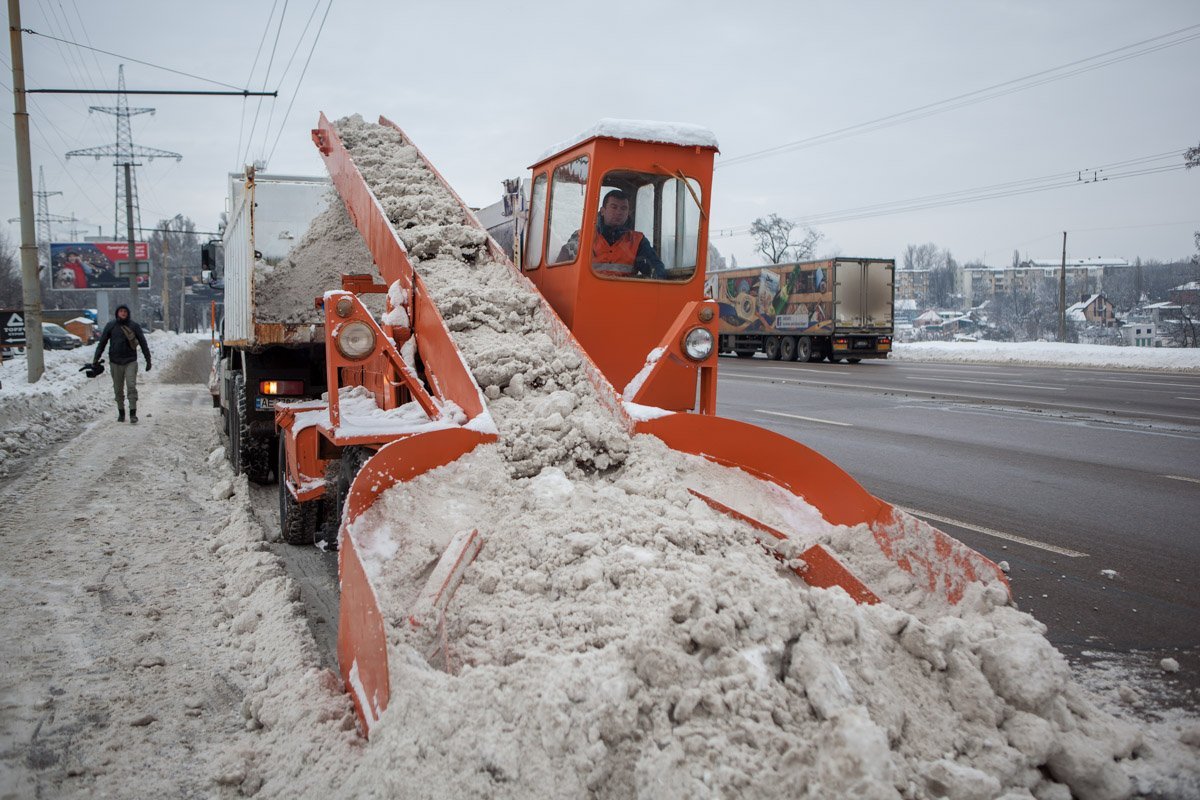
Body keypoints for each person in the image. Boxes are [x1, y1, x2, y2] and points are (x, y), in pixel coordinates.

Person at [558, 189, 666, 278]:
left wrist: (655, 273)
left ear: (628, 213)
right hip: (587, 296)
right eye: (614, 207)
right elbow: (560, 270)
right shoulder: (582, 237)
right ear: (603, 211)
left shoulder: (637, 241)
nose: (619, 212)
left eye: (623, 208)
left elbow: (655, 267)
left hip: (626, 298)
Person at [92, 305, 151, 423]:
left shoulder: (134, 326)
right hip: (115, 362)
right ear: (117, 313)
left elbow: (143, 343)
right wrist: (96, 359)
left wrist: (148, 359)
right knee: (118, 389)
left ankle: (133, 413)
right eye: (121, 311)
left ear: (128, 313)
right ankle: (121, 412)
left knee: (131, 386)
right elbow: (102, 343)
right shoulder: (111, 326)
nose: (123, 313)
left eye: (125, 311)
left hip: (130, 361)